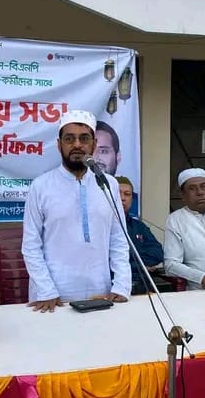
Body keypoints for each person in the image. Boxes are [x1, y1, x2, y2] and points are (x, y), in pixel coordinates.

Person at [21, 110, 131, 312]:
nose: (77, 145)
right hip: (52, 297)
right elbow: (31, 245)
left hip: (101, 291)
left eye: (84, 138)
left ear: (94, 144)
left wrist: (122, 285)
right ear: (59, 144)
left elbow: (119, 239)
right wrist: (46, 290)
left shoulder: (108, 184)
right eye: (69, 139)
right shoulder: (41, 186)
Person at [116, 176, 164, 294]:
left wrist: (130, 260)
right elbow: (108, 261)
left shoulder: (138, 226)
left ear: (132, 199)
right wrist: (141, 266)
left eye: (127, 194)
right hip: (114, 288)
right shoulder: (100, 226)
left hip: (143, 286)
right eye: (118, 193)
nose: (122, 198)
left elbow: (158, 253)